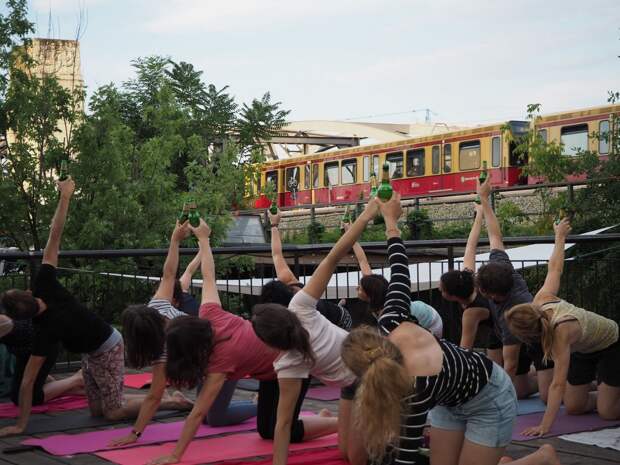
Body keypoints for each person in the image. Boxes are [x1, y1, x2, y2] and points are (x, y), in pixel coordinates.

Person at [146, 219, 337, 465]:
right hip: (271, 372)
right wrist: (203, 239)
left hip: (292, 367)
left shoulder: (220, 362)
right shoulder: (209, 313)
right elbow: (208, 275)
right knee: (265, 431)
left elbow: (197, 414)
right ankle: (320, 419)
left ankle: (338, 423)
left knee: (280, 430)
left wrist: (175, 456)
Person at [0, 177, 148, 436]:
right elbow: (54, 235)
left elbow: (27, 383)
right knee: (96, 412)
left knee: (112, 411)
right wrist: (65, 196)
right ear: (28, 293)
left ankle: (169, 400)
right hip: (91, 353)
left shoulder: (43, 332)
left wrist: (21, 425)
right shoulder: (44, 284)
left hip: (109, 346)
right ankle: (108, 389)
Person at [251, 197, 384, 465]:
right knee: (344, 452)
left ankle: (395, 428)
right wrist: (366, 216)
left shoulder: (299, 315)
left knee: (361, 457)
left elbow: (283, 425)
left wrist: (368, 216)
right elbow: (335, 254)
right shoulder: (296, 314)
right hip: (351, 381)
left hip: (374, 372)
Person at [505, 218, 620, 436]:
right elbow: (555, 268)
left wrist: (545, 426)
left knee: (608, 412)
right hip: (584, 350)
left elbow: (557, 385)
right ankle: (607, 389)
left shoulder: (561, 331)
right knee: (575, 407)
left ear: (529, 335)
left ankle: (609, 395)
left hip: (611, 345)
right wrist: (559, 236)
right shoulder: (539, 301)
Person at [341, 324, 517, 465]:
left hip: (489, 399)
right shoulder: (392, 322)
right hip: (447, 400)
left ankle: (538, 459)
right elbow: (400, 280)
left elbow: (405, 456)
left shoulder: (416, 388)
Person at [476, 177, 554, 401]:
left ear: (490, 294)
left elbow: (509, 365)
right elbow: (494, 235)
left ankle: (573, 379)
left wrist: (490, 401)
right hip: (513, 334)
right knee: (519, 391)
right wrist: (484, 199)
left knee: (548, 396)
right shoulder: (502, 268)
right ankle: (540, 377)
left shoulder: (515, 312)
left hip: (539, 339)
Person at [343, 221, 442, 337]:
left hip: (431, 323)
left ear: (370, 294)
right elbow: (362, 260)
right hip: (419, 313)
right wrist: (351, 233)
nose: (357, 288)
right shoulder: (375, 286)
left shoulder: (387, 311)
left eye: (360, 288)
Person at [261, 209, 352, 330]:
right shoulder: (292, 291)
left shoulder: (300, 300)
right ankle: (337, 306)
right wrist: (274, 224)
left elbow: (276, 255)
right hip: (327, 314)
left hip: (340, 321)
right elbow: (276, 254)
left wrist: (274, 225)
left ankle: (338, 307)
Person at [439, 203, 502, 364]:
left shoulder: (471, 313)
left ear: (452, 296)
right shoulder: (469, 280)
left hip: (502, 332)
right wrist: (479, 214)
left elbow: (465, 349)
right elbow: (470, 246)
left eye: (442, 290)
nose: (439, 290)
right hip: (497, 332)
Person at [0, 315, 84, 406]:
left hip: (43, 346)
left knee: (27, 398)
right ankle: (69, 388)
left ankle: (77, 379)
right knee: (17, 396)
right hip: (26, 351)